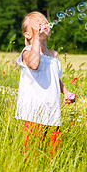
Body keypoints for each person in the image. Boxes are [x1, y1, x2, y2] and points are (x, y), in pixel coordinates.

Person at [15, 11, 75, 157]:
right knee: (31, 153)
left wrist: (65, 91)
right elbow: (34, 64)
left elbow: (55, 78)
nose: (43, 25)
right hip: (33, 113)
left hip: (53, 112)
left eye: (44, 22)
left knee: (54, 152)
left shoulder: (54, 54)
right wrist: (36, 38)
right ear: (28, 35)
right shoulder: (27, 52)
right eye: (37, 24)